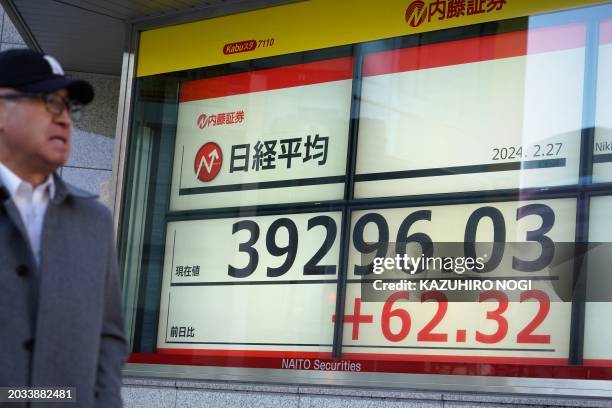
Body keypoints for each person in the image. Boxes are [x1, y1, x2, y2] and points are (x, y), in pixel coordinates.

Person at [0, 49, 127, 407]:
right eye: (48, 102)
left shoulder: (94, 221)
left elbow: (108, 337)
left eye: (69, 107)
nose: (65, 119)